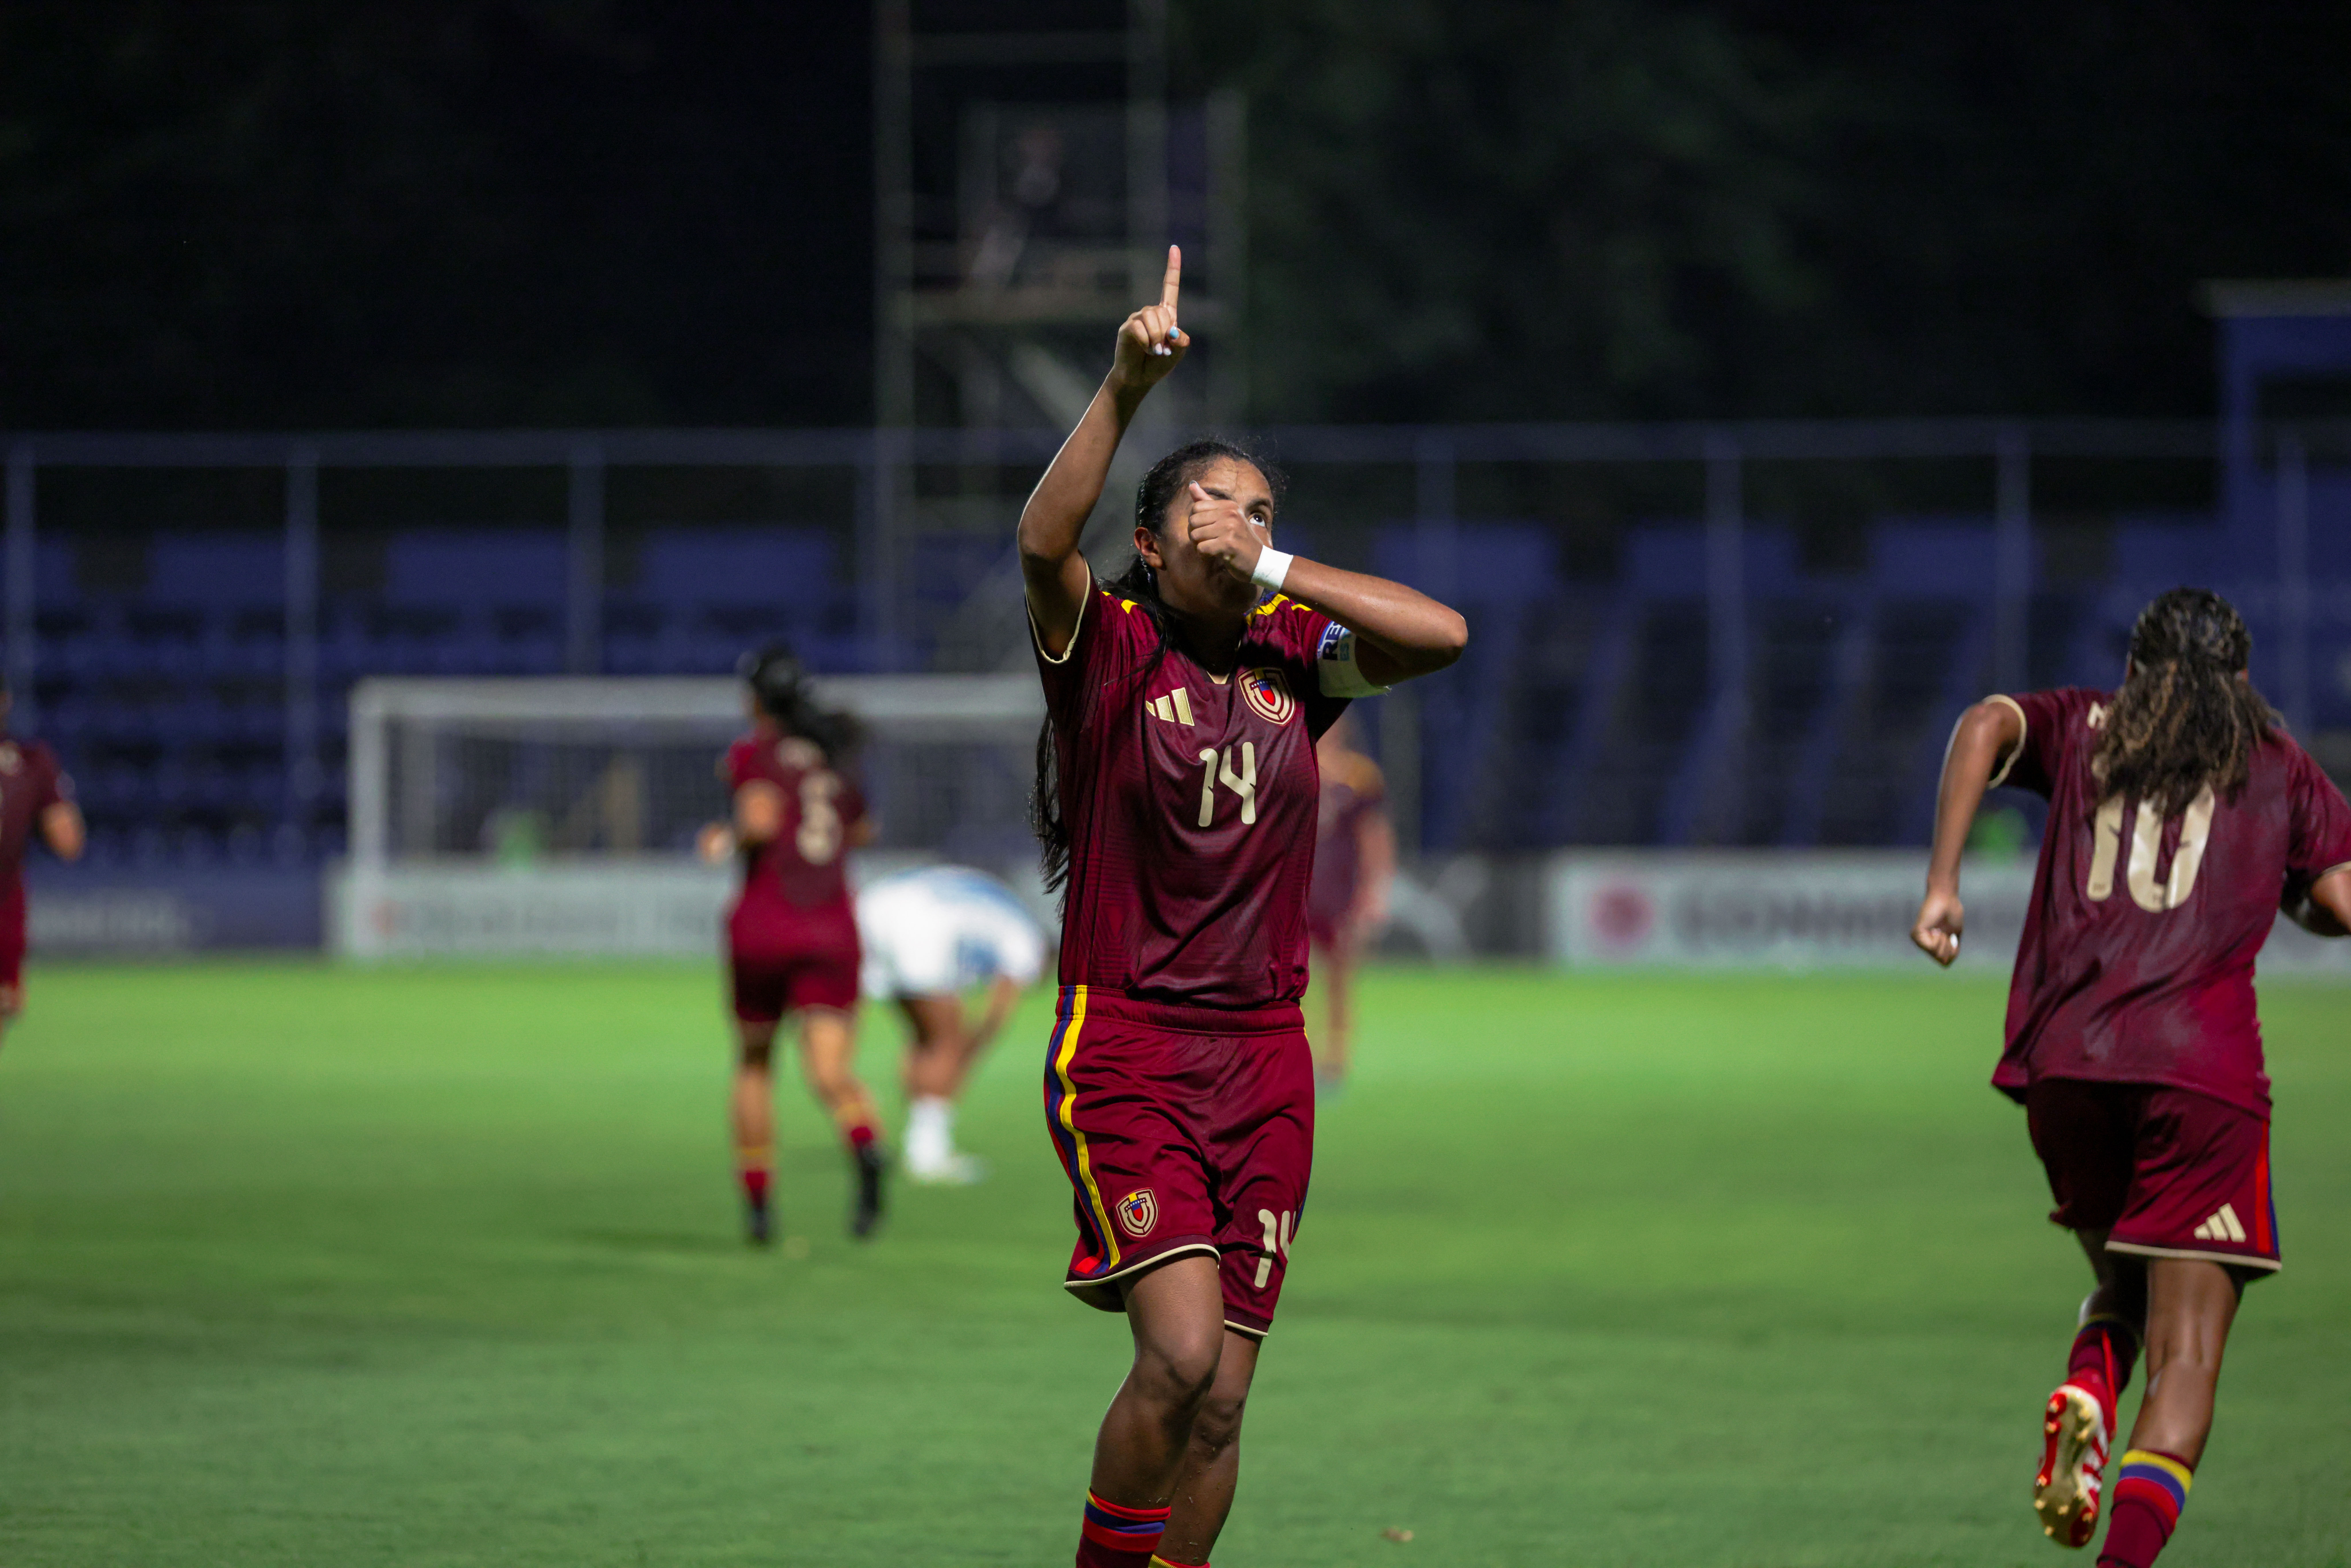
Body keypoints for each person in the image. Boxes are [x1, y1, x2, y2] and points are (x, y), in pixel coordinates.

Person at [1021, 244, 1467, 1568]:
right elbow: (1044, 541)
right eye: (1209, 503)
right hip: (1130, 1044)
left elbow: (1439, 634)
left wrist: (1281, 564)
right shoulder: (1109, 647)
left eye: (1257, 505)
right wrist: (1121, 387)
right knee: (1177, 1356)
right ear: (1153, 545)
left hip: (1266, 1065)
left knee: (1220, 1406)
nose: (1235, 516)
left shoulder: (1296, 658)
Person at [1911, 587, 2351, 1568]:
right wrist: (2294, 895)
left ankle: (2092, 1390)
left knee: (2124, 1284)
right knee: (2189, 1349)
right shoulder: (2276, 763)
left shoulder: (2081, 726)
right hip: (2200, 1077)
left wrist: (1942, 884)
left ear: (2137, 670)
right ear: (2239, 678)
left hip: (2066, 1066)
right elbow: (2339, 900)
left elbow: (1984, 720)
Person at [696, 645, 888, 1243]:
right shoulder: (829, 760)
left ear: (754, 698)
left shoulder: (753, 753)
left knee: (755, 1063)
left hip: (764, 925)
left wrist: (725, 841)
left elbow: (758, 819)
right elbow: (861, 827)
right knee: (830, 1070)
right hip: (831, 927)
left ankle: (758, 1207)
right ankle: (865, 1146)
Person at [855, 862, 1050, 1183]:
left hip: (874, 904)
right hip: (921, 922)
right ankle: (927, 1153)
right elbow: (996, 1013)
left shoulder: (1002, 903)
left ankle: (914, 1134)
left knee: (924, 1037)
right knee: (947, 1042)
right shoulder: (1027, 938)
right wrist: (966, 1052)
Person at [1305, 713, 1393, 1093]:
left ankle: (1335, 1063)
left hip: (1338, 895)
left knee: (1341, 979)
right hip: (1293, 892)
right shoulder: (1289, 761)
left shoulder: (1360, 775)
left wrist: (1375, 890)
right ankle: (1295, 1059)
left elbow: (1374, 836)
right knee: (1288, 983)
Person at [0, 676, 84, 1052]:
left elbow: (69, 843)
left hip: (5, 897)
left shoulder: (31, 760)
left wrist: (58, 809)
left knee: (7, 1001)